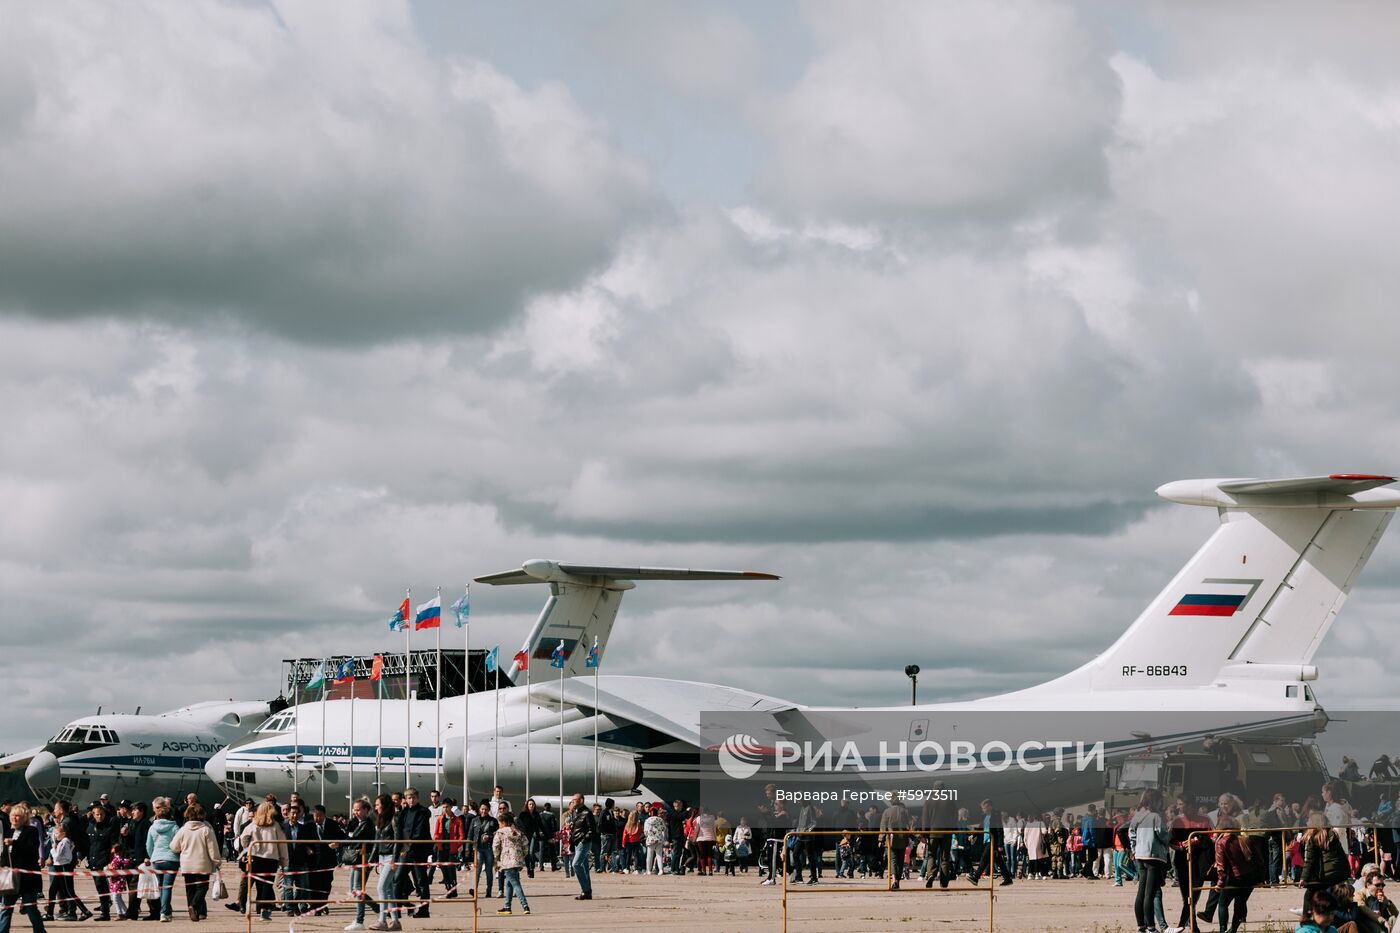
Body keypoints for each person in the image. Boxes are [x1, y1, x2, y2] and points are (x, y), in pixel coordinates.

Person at [236, 802, 288, 924]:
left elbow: (243, 838)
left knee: (257, 884)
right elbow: (282, 844)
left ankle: (251, 906)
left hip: (255, 858)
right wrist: (284, 860)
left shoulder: (253, 824)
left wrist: (248, 847)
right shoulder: (276, 826)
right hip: (271, 859)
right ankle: (263, 909)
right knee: (266, 885)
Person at [169, 803, 221, 922]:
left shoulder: (183, 830)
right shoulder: (206, 830)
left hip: (187, 864)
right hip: (202, 864)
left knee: (190, 889)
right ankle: (193, 905)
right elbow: (213, 848)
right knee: (202, 887)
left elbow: (173, 847)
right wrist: (217, 861)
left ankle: (192, 910)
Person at [2, 804, 49, 933]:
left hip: (27, 879)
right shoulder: (8, 832)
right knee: (6, 908)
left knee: (30, 908)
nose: (14, 818)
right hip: (10, 878)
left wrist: (14, 843)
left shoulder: (31, 831)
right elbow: (4, 855)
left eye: (17, 816)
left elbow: (31, 849)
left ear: (24, 818)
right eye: (12, 816)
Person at [1130, 789, 1170, 933]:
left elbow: (1131, 834)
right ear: (1155, 800)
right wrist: (1168, 839)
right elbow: (1163, 835)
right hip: (1153, 856)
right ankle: (1151, 927)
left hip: (1140, 856)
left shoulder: (1137, 815)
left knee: (1141, 893)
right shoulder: (1155, 816)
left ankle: (1141, 926)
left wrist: (1134, 850)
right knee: (1150, 893)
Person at [1214, 814, 1259, 933]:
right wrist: (1260, 878)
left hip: (1235, 877)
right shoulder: (1245, 839)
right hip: (1249, 877)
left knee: (1223, 904)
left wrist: (1220, 883)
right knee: (1240, 904)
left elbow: (1221, 866)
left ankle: (1222, 930)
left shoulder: (1222, 842)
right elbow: (1259, 860)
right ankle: (1233, 930)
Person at [395, 789, 432, 919]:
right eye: (408, 798)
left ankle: (424, 910)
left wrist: (408, 847)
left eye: (413, 797)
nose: (411, 800)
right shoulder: (403, 813)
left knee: (421, 881)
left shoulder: (422, 812)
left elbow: (419, 832)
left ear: (417, 798)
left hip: (418, 851)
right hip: (405, 852)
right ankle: (397, 909)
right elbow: (399, 832)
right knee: (398, 879)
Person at [342, 798, 377, 932]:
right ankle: (377, 909)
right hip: (357, 859)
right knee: (354, 890)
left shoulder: (367, 823)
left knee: (357, 889)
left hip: (363, 858)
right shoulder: (358, 822)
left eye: (358, 810)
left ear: (366, 810)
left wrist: (340, 843)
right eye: (354, 810)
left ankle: (359, 920)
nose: (355, 812)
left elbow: (354, 838)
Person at [369, 795, 400, 933]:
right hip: (381, 857)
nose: (375, 807)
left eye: (377, 804)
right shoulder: (380, 820)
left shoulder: (395, 819)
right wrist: (372, 859)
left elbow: (397, 840)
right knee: (388, 890)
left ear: (385, 805)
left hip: (390, 857)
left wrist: (394, 859)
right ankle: (395, 921)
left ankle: (382, 920)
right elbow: (376, 842)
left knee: (381, 887)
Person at [491, 813, 530, 917]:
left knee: (515, 883)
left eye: (499, 823)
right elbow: (526, 844)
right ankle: (507, 906)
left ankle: (525, 905)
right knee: (508, 883)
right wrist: (522, 855)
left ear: (503, 822)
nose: (499, 825)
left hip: (507, 861)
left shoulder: (500, 832)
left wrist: (496, 859)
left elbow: (495, 846)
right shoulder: (518, 831)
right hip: (517, 861)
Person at [968, 798, 1012, 888]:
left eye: (985, 807)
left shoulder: (995, 815)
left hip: (992, 841)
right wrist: (973, 835)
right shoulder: (983, 816)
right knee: (999, 860)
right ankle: (1008, 879)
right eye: (982, 808)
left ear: (990, 807)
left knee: (984, 859)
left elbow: (1000, 830)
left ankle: (975, 877)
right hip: (986, 840)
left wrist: (1000, 844)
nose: (983, 809)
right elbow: (980, 828)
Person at [565, 794, 597, 900]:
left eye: (575, 800)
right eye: (572, 800)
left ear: (581, 801)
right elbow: (579, 827)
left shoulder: (587, 813)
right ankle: (588, 892)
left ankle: (586, 890)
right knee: (584, 868)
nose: (573, 802)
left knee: (576, 864)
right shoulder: (577, 812)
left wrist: (584, 839)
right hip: (577, 842)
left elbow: (592, 829)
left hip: (583, 843)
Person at [468, 802, 497, 899]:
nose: (483, 811)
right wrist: (468, 849)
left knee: (489, 871)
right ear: (479, 809)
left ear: (488, 810)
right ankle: (474, 890)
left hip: (489, 848)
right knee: (477, 870)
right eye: (482, 809)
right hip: (478, 848)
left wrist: (489, 837)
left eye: (485, 809)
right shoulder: (475, 820)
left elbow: (497, 835)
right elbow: (470, 834)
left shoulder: (493, 821)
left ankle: (489, 891)